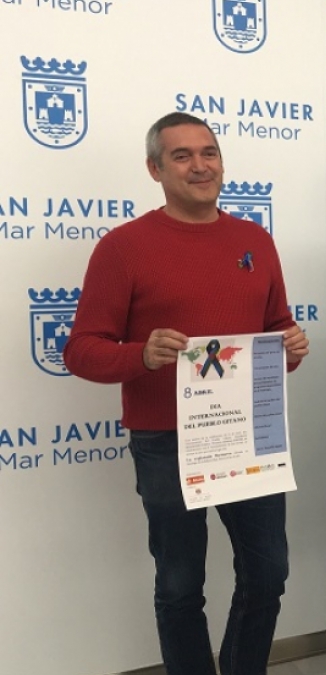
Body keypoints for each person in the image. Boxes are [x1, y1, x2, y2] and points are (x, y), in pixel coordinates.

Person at [63, 112, 310, 675]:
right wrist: (141, 355)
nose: (200, 166)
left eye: (209, 153)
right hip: (166, 440)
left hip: (248, 434)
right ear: (155, 169)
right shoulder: (123, 247)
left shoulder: (255, 240)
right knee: (179, 586)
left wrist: (290, 347)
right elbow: (80, 350)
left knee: (268, 573)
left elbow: (275, 330)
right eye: (182, 156)